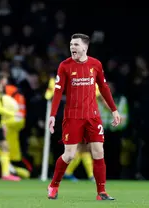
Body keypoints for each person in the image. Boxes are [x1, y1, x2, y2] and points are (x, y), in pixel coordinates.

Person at [48, 33, 121, 200]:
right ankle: (53, 185)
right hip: (73, 116)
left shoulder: (95, 64)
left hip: (93, 116)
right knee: (70, 155)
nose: (72, 47)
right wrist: (52, 115)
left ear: (84, 47)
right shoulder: (64, 66)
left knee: (98, 151)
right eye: (71, 44)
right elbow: (58, 91)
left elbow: (103, 88)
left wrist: (114, 110)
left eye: (75, 44)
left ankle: (101, 192)